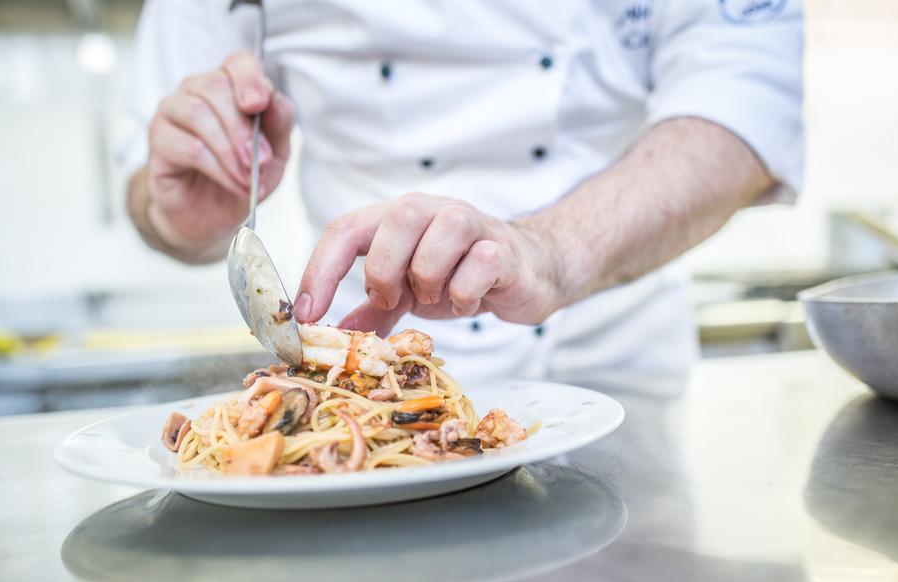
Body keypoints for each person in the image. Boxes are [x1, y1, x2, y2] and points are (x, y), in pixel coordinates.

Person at [122, 0, 803, 392]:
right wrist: (178, 214)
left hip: (613, 365)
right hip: (361, 371)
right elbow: (150, 176)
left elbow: (743, 101)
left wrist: (549, 252)